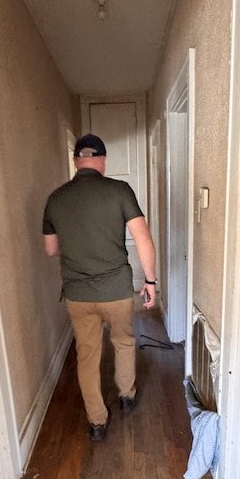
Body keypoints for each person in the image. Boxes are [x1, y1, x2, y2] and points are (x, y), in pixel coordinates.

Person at [42, 133, 157, 442]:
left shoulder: (56, 198)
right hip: (117, 289)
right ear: (103, 160)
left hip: (78, 294)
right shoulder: (119, 191)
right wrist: (150, 281)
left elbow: (51, 249)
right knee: (123, 342)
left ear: (76, 161)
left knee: (87, 356)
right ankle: (126, 395)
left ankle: (97, 422)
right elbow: (143, 238)